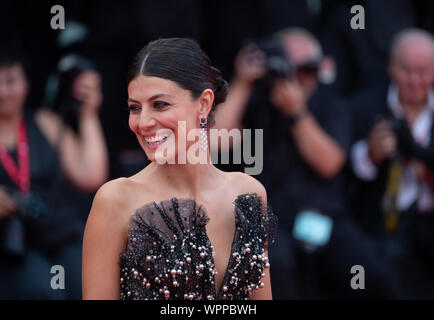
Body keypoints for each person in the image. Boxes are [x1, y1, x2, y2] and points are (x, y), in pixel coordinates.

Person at [82, 38, 278, 300]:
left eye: (160, 104)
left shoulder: (249, 195)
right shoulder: (115, 200)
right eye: (135, 108)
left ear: (204, 104)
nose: (143, 122)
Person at [215, 28, 401, 299]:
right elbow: (216, 141)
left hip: (325, 218)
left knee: (371, 270)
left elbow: (330, 163)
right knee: (274, 266)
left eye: (308, 70)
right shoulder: (256, 102)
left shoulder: (331, 104)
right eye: (290, 69)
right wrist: (243, 82)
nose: (298, 78)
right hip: (269, 221)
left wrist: (297, 112)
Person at [0, 50, 108, 299]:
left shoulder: (46, 123)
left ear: (26, 83)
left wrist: (88, 115)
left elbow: (91, 175)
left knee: (90, 283)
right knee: (44, 290)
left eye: (11, 81)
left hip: (56, 235)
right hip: (8, 245)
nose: (3, 92)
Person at [349, 28, 434, 298]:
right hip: (379, 222)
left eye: (423, 71)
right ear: (390, 67)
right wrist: (370, 154)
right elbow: (345, 177)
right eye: (406, 70)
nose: (414, 80)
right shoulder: (364, 107)